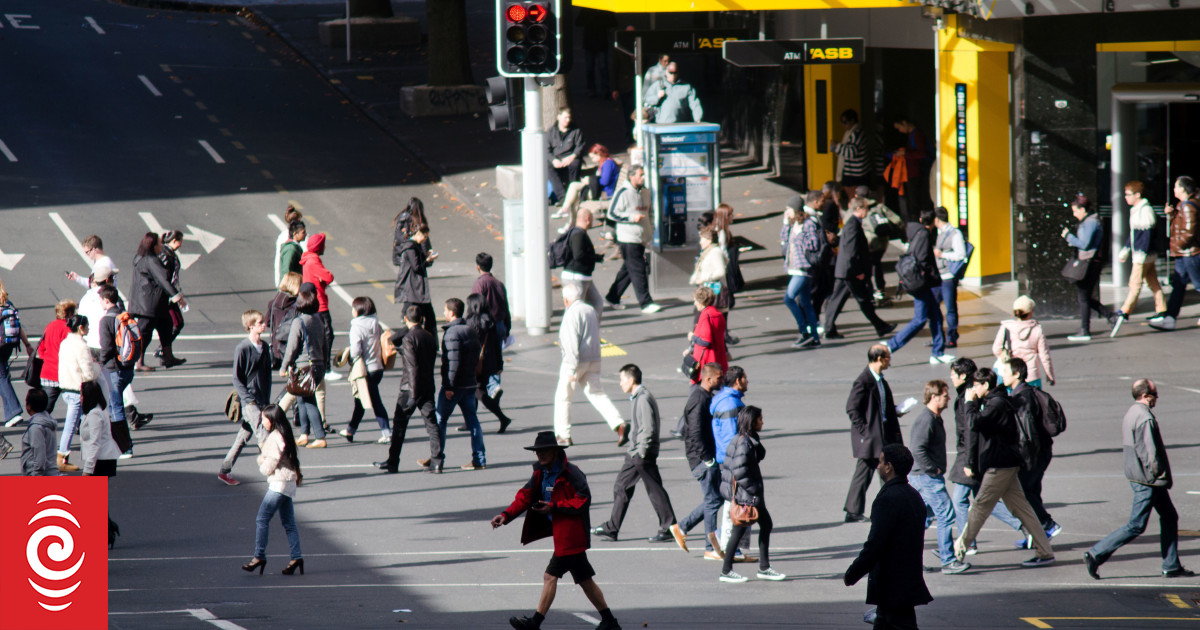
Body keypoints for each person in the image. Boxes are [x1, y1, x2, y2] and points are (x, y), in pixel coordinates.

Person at [491, 431, 622, 630]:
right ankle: (610, 621)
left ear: (554, 451)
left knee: (550, 576)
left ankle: (535, 623)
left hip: (571, 534)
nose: (540, 455)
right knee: (585, 579)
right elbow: (524, 497)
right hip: (562, 534)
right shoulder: (540, 472)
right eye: (537, 452)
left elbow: (584, 500)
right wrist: (506, 515)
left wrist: (555, 506)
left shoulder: (572, 472)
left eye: (544, 451)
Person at [1084, 379, 1194, 580]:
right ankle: (1096, 553)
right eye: (1155, 394)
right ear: (1145, 395)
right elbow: (1150, 454)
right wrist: (1159, 474)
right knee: (1136, 525)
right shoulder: (1145, 418)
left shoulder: (1131, 412)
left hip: (1140, 476)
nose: (1157, 398)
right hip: (1148, 480)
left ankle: (1171, 565)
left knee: (1170, 516)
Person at [953, 368, 1055, 568]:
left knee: (980, 506)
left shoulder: (997, 403)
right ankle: (1045, 551)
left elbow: (973, 423)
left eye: (975, 385)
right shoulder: (996, 401)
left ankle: (957, 552)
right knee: (1022, 509)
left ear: (985, 385)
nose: (972, 389)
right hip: (1006, 464)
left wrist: (969, 402)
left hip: (1000, 465)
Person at [592, 365, 686, 548]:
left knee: (654, 490)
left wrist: (640, 452)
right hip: (635, 451)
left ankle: (668, 527)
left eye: (622, 379)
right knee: (622, 486)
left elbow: (649, 428)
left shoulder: (643, 398)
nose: (620, 384)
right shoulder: (638, 397)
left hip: (641, 453)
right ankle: (612, 527)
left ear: (631, 380)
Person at [843, 444, 933, 629]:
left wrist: (853, 572)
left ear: (889, 466)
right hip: (905, 584)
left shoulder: (888, 498)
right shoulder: (913, 496)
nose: (877, 466)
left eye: (881, 462)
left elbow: (876, 544)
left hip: (892, 586)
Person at [946, 358, 1024, 556]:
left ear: (963, 376)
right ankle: (1027, 527)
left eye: (953, 374)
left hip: (970, 454)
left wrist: (969, 461)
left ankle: (967, 543)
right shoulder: (970, 395)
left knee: (962, 499)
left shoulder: (968, 398)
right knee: (985, 499)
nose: (951, 378)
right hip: (975, 453)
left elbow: (971, 431)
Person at [717, 405, 785, 583]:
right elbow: (739, 472)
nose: (763, 422)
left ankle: (763, 567)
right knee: (738, 531)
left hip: (747, 495)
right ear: (752, 422)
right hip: (747, 496)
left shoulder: (745, 439)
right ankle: (727, 571)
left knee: (765, 525)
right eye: (760, 419)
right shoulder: (745, 444)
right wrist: (753, 491)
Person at [553, 283, 626, 447]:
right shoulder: (590, 310)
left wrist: (571, 368)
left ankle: (564, 435)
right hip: (593, 359)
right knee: (597, 393)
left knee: (563, 398)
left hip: (575, 361)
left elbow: (571, 343)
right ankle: (618, 424)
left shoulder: (570, 315)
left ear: (566, 300)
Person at [909, 380, 970, 574]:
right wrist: (932, 469)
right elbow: (917, 448)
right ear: (934, 397)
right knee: (946, 514)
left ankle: (909, 561)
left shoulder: (934, 418)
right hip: (926, 478)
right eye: (945, 395)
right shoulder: (926, 420)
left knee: (922, 520)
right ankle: (948, 560)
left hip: (922, 477)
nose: (949, 398)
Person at [843, 345, 906, 523]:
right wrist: (865, 431)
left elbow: (880, 406)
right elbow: (852, 408)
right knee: (871, 471)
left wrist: (894, 411)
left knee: (882, 470)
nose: (889, 361)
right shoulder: (864, 381)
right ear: (879, 358)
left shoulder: (879, 380)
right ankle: (855, 511)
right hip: (872, 437)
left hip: (881, 433)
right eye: (888, 357)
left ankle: (871, 508)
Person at [1004, 358, 1063, 548]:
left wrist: (1022, 458)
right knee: (1033, 491)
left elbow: (1026, 433)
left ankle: (1047, 524)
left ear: (1016, 374)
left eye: (1005, 371)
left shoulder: (1022, 397)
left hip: (1033, 454)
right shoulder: (1027, 392)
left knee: (1024, 493)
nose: (1002, 375)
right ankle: (1037, 535)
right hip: (1042, 451)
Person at [242, 405, 305, 577]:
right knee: (289, 523)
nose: (262, 422)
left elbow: (269, 466)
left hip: (279, 483)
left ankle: (259, 556)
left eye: (265, 419)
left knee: (262, 518)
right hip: (288, 482)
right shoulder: (285, 434)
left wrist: (261, 460)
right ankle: (296, 557)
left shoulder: (275, 437)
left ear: (273, 420)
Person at [887, 209, 953, 364]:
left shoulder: (915, 232)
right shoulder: (924, 234)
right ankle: (892, 345)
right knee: (920, 319)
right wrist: (933, 276)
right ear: (934, 221)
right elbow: (923, 259)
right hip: (922, 284)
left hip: (920, 283)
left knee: (936, 316)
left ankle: (937, 352)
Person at [824, 198, 895, 340]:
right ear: (859, 209)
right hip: (850, 271)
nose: (867, 211)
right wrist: (858, 272)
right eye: (865, 208)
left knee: (837, 301)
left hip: (845, 270)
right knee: (863, 300)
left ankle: (829, 328)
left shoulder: (852, 224)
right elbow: (851, 251)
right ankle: (881, 326)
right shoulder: (853, 225)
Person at [379, 306, 438, 474]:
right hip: (428, 386)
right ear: (422, 320)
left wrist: (412, 394)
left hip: (409, 388)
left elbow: (412, 367)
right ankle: (437, 460)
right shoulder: (429, 336)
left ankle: (393, 462)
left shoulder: (409, 338)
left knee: (399, 426)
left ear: (406, 319)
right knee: (432, 425)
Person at [219, 309, 273, 486]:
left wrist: (266, 401)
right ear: (250, 326)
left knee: (242, 438)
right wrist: (247, 399)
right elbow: (237, 377)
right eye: (260, 322)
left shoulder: (265, 347)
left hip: (262, 400)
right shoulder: (242, 348)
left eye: (263, 322)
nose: (264, 324)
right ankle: (272, 470)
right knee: (264, 435)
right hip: (250, 402)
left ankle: (224, 470)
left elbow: (267, 376)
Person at [678, 363, 724, 558]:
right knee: (713, 500)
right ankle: (709, 547)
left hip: (704, 457)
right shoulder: (699, 399)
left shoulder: (704, 396)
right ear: (708, 378)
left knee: (715, 498)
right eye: (718, 378)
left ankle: (683, 527)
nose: (721, 381)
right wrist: (708, 459)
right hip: (701, 459)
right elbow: (695, 432)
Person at [434, 298, 486, 470]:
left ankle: (437, 457)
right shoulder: (471, 330)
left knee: (440, 419)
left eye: (445, 310)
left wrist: (449, 386)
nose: (443, 313)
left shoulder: (451, 333)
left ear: (451, 312)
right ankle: (479, 459)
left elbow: (452, 362)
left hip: (455, 386)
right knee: (473, 421)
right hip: (470, 384)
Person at [605, 166, 661, 314]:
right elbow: (611, 214)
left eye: (643, 175)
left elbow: (650, 213)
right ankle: (645, 302)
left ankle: (613, 296)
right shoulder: (623, 193)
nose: (643, 178)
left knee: (629, 269)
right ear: (631, 177)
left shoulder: (646, 192)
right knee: (638, 269)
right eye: (640, 175)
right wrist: (631, 218)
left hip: (641, 237)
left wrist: (650, 231)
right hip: (627, 237)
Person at [1061, 194, 1117, 341]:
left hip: (1089, 263)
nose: (1074, 214)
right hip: (1091, 262)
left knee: (1083, 298)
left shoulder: (1090, 222)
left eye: (1076, 211)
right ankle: (1110, 316)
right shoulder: (1091, 221)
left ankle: (1085, 329)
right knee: (1085, 297)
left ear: (1084, 209)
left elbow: (1084, 244)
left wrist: (1069, 237)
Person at [129, 232, 187, 372]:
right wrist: (178, 297)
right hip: (149, 304)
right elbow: (164, 280)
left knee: (166, 326)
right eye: (159, 244)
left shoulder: (141, 257)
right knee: (145, 334)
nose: (162, 246)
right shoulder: (151, 260)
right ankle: (139, 362)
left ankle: (168, 357)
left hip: (153, 303)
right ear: (153, 245)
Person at [1149, 176, 1200, 331]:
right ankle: (1170, 318)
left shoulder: (1188, 206)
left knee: (1197, 284)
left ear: (1184, 189)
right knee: (1178, 285)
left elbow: (1190, 232)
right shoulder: (1184, 206)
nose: (1174, 190)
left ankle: (1170, 318)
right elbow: (1182, 228)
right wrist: (1171, 216)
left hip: (1189, 254)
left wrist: (1178, 245)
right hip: (1184, 254)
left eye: (1177, 187)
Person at [1113, 180, 1166, 324]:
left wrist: (1139, 253)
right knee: (1153, 282)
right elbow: (1135, 235)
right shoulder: (1138, 209)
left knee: (1134, 284)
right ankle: (1161, 310)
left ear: (1137, 195)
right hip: (1144, 254)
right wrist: (1126, 250)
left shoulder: (1144, 210)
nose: (1126, 197)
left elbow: (1144, 235)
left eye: (1128, 194)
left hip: (1142, 255)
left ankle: (1125, 311)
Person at [281, 289, 328, 449]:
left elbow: (292, 347)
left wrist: (284, 366)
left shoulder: (299, 322)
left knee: (308, 401)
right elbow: (325, 343)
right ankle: (304, 434)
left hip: (304, 366)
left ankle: (320, 436)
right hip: (318, 364)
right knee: (301, 398)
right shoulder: (318, 320)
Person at [339, 297, 389, 444]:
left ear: (359, 310)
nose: (352, 311)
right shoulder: (376, 323)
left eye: (353, 308)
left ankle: (387, 432)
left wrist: (349, 357)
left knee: (374, 401)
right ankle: (350, 430)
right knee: (360, 400)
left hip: (364, 370)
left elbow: (355, 351)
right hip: (378, 367)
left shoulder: (357, 327)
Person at [79, 380, 121, 547]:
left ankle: (107, 530)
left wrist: (87, 470)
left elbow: (94, 443)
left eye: (82, 394)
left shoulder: (95, 415)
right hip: (103, 459)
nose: (80, 398)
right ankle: (108, 528)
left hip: (101, 461)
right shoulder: (96, 411)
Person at [781, 193, 826, 348]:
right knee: (806, 304)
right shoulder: (794, 224)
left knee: (788, 298)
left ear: (796, 209)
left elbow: (813, 244)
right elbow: (784, 241)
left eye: (788, 209)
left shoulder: (808, 224)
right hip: (794, 268)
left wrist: (800, 237)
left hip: (803, 269)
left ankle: (804, 331)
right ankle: (814, 338)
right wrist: (786, 224)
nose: (786, 212)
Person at [464, 293, 513, 434]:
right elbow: (496, 344)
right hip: (488, 361)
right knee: (475, 392)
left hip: (475, 362)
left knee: (478, 392)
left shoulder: (471, 321)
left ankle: (502, 418)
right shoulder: (490, 320)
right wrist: (499, 364)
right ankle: (470, 422)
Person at [57, 314, 98, 473]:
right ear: (81, 328)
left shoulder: (65, 343)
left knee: (81, 422)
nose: (88, 329)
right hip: (77, 389)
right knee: (72, 424)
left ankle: (88, 455)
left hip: (66, 387)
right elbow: (88, 373)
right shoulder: (81, 346)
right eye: (87, 326)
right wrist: (97, 368)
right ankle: (62, 455)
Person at [471, 253, 512, 401]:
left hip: (486, 325)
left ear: (478, 266)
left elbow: (475, 306)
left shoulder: (479, 284)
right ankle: (495, 386)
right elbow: (506, 307)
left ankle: (490, 387)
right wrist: (507, 327)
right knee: (496, 355)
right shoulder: (499, 283)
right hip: (500, 323)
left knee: (484, 355)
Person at [992, 296, 1055, 388]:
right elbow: (1044, 355)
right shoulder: (1037, 329)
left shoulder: (1007, 327)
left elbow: (996, 349)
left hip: (1012, 375)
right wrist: (1050, 375)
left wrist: (1004, 356)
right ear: (1030, 313)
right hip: (1032, 375)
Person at [859, 187, 904, 305]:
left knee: (868, 268)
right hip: (882, 244)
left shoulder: (859, 208)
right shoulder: (879, 207)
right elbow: (897, 220)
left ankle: (870, 293)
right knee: (877, 265)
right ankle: (880, 290)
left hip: (868, 244)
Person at [560, 208, 606, 321]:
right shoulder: (577, 234)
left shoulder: (579, 233)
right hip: (575, 278)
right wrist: (595, 257)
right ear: (588, 219)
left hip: (584, 278)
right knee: (573, 310)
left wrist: (596, 257)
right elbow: (579, 255)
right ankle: (570, 337)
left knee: (597, 304)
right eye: (592, 219)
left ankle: (592, 334)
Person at [394, 225, 439, 338]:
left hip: (417, 290)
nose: (425, 240)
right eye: (424, 236)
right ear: (418, 233)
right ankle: (393, 340)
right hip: (413, 290)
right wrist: (428, 259)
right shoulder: (410, 248)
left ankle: (431, 343)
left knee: (427, 318)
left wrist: (427, 258)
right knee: (415, 322)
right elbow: (417, 267)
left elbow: (419, 264)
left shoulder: (415, 246)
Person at [300, 233, 336, 373]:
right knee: (327, 335)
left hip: (315, 301)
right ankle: (326, 367)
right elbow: (328, 276)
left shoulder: (308, 259)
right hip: (320, 303)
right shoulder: (314, 261)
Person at [932, 206, 966, 348]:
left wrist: (942, 255)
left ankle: (951, 338)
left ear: (937, 219)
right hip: (938, 276)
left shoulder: (955, 233)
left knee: (950, 308)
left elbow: (961, 254)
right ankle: (938, 337)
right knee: (933, 307)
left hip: (948, 276)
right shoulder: (939, 233)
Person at [36, 299, 78, 414]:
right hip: (65, 373)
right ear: (69, 313)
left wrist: (48, 359)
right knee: (76, 405)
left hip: (48, 372)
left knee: (45, 409)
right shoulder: (69, 329)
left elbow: (41, 348)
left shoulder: (49, 326)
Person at [890, 117, 932, 219]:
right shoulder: (912, 135)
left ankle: (916, 220)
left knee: (915, 201)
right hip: (912, 172)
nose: (899, 131)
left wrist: (904, 153)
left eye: (899, 127)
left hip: (916, 173)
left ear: (904, 122)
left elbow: (921, 153)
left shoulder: (917, 134)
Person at [688, 286, 727, 384]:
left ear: (701, 301)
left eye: (695, 301)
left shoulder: (706, 316)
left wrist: (692, 337)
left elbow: (706, 341)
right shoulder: (718, 314)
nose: (694, 303)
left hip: (706, 362)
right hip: (718, 358)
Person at [546, 107, 585, 205]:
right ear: (558, 117)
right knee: (548, 165)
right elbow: (547, 150)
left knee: (575, 164)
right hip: (557, 158)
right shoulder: (551, 131)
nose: (567, 120)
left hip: (570, 157)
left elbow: (580, 146)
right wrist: (554, 160)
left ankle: (573, 193)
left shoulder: (576, 131)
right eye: (565, 118)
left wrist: (572, 156)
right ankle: (562, 197)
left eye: (569, 118)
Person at [266, 272, 302, 370]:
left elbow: (268, 322)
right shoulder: (295, 306)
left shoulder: (273, 303)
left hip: (276, 346)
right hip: (290, 346)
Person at [20, 389, 58, 476]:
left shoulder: (36, 428)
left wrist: (36, 474)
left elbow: (39, 457)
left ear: (28, 406)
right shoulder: (47, 421)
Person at [832, 109, 870, 188]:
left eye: (845, 122)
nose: (843, 125)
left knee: (854, 196)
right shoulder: (852, 132)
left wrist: (837, 146)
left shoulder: (856, 133)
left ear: (852, 121)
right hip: (854, 171)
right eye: (841, 122)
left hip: (855, 173)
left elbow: (851, 152)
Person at [276, 209, 304, 285]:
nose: (305, 234)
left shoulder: (283, 236)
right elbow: (286, 271)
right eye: (303, 232)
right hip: (290, 286)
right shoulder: (291, 248)